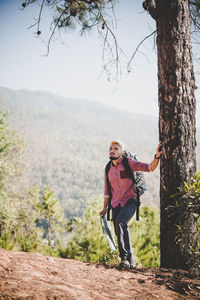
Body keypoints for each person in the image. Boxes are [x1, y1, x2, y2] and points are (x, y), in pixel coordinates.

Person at [99, 140, 162, 269]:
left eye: (116, 148)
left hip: (130, 201)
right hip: (115, 204)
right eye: (110, 148)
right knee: (118, 230)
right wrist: (104, 208)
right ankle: (130, 263)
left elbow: (150, 167)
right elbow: (107, 191)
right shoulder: (108, 168)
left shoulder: (128, 163)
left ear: (121, 152)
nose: (112, 150)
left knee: (121, 222)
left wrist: (156, 157)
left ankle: (124, 258)